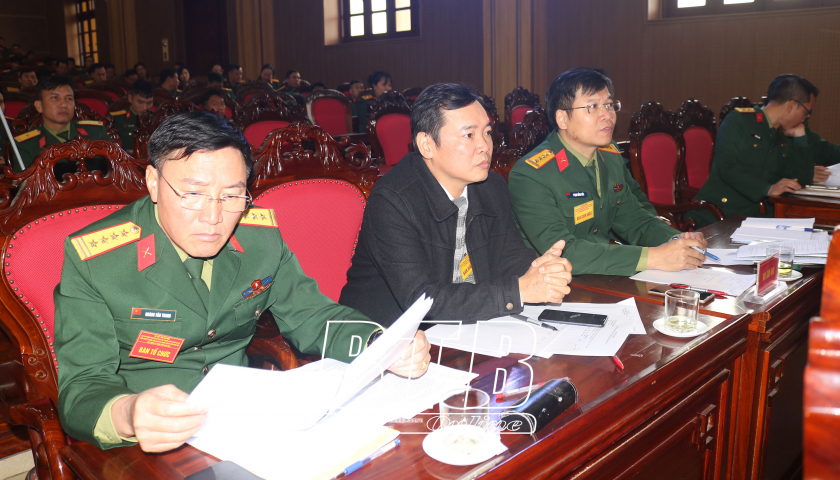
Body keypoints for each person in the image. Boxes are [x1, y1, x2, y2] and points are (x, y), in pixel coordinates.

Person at [54, 111, 431, 452]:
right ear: (154, 182)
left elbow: (312, 314)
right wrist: (128, 412)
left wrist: (381, 344)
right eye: (193, 194)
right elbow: (82, 386)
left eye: (232, 195)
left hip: (243, 423)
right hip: (146, 440)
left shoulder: (258, 237)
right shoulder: (99, 260)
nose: (213, 217)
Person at [340, 84, 572, 326]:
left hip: (466, 325)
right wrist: (518, 291)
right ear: (427, 145)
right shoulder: (393, 200)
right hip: (385, 334)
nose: (485, 146)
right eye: (469, 135)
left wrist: (542, 271)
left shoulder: (492, 187)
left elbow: (509, 256)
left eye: (487, 133)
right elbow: (422, 300)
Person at [508, 68, 705, 276]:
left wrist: (678, 241)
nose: (607, 115)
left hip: (601, 276)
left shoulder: (609, 157)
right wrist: (655, 257)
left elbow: (635, 221)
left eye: (609, 105)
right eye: (593, 106)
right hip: (551, 283)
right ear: (562, 119)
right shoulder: (531, 175)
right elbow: (565, 253)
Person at [689, 74, 840, 227]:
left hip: (755, 216)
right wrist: (767, 189)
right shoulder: (739, 120)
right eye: (806, 112)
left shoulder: (783, 132)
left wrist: (801, 137)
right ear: (791, 105)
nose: (804, 119)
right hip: (718, 213)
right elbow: (728, 167)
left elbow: (801, 178)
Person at [11, 75, 111, 173]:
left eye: (69, 98)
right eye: (55, 98)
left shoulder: (96, 133)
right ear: (39, 106)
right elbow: (26, 183)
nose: (64, 104)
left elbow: (114, 171)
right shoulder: (26, 145)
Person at [111, 79, 154, 152]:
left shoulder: (156, 118)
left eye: (149, 103)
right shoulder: (116, 119)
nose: (145, 107)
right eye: (140, 102)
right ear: (130, 98)